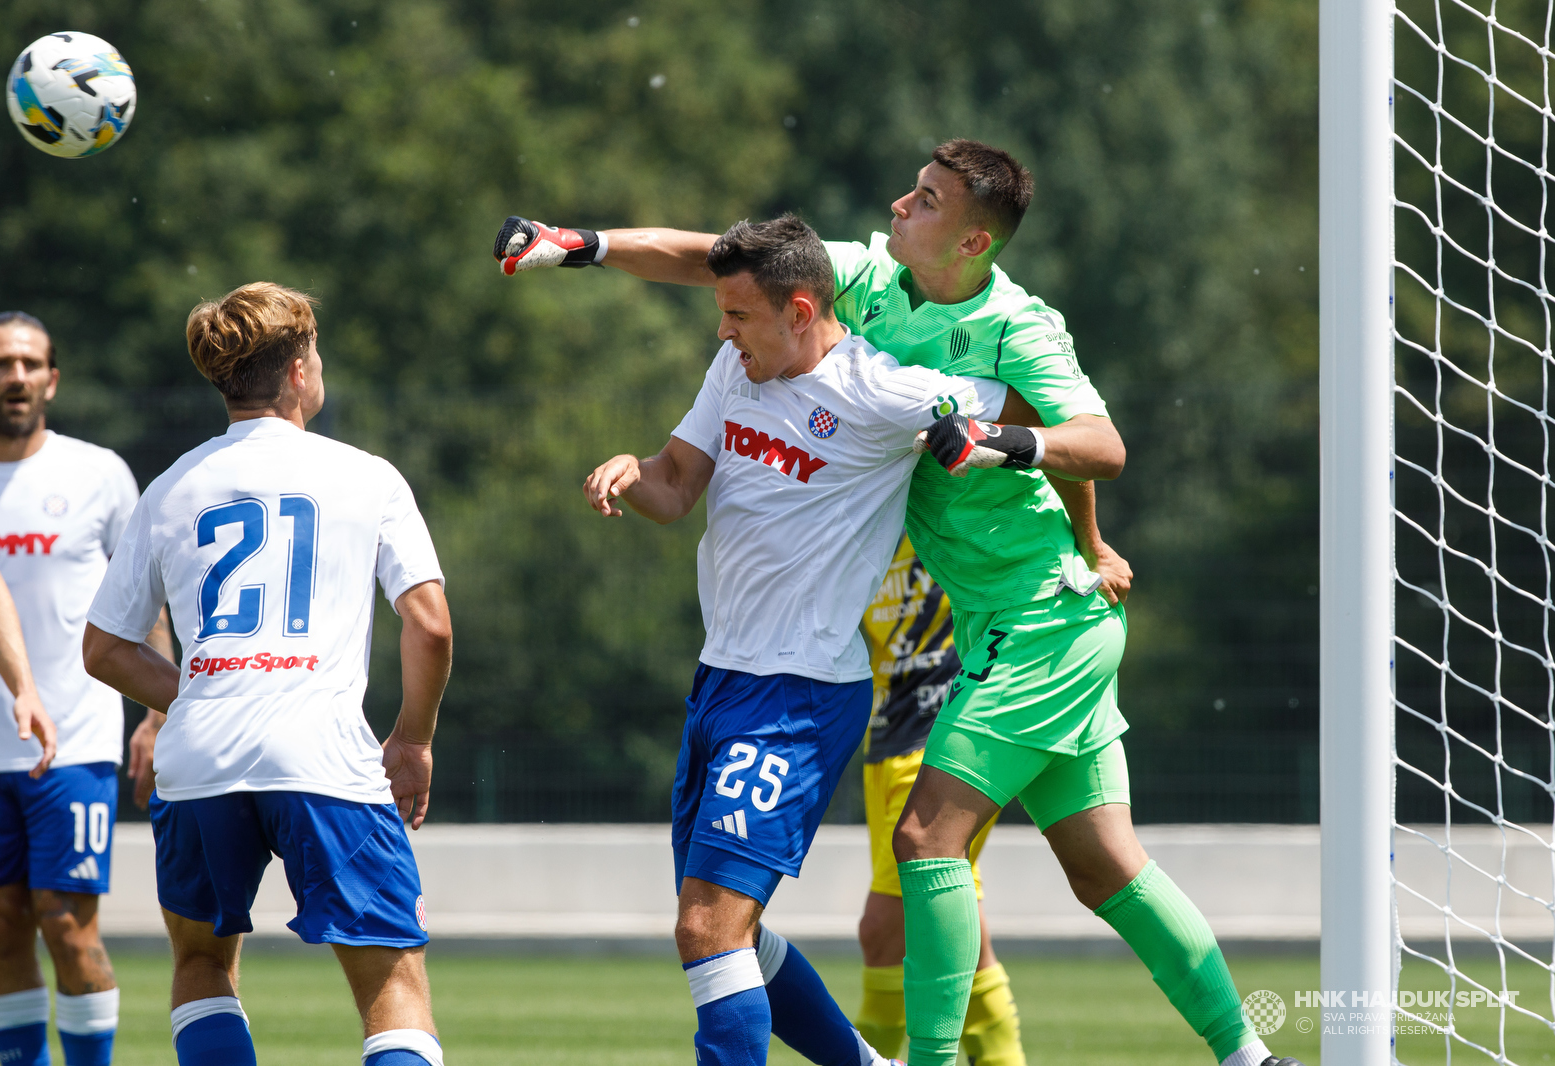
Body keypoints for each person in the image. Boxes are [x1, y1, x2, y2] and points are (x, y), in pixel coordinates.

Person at [499, 139, 1301, 1066]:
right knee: (1105, 871)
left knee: (924, 840)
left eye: (925, 201)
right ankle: (1251, 1056)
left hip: (1039, 624)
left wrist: (1004, 451)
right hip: (1000, 619)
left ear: (972, 243)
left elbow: (1092, 439)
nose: (896, 206)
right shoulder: (865, 280)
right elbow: (717, 258)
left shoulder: (1017, 330)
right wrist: (581, 245)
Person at [579, 214, 1124, 1066]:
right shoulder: (736, 366)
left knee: (706, 925)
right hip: (721, 681)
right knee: (726, 935)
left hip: (801, 694)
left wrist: (1078, 529)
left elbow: (1065, 430)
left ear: (800, 310)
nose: (722, 331)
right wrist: (630, 473)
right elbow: (678, 483)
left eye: (738, 315)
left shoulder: (883, 389)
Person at [82, 282, 454, 1066]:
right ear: (296, 371)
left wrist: (208, 694)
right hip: (321, 757)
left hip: (200, 762)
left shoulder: (171, 486)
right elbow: (429, 624)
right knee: (393, 983)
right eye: (314, 352)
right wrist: (413, 741)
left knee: (202, 966)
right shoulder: (367, 476)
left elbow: (105, 650)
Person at [0, 312, 170, 1066]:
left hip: (76, 736)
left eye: (30, 362)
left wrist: (154, 712)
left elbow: (146, 600)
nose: (16, 376)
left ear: (53, 379)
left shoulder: (98, 472)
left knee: (68, 922)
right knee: (2, 922)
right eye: (1, 363)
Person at [856, 534, 1020, 1066]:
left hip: (944, 733)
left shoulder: (945, 489)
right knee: (954, 936)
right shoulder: (859, 497)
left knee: (884, 931)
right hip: (883, 736)